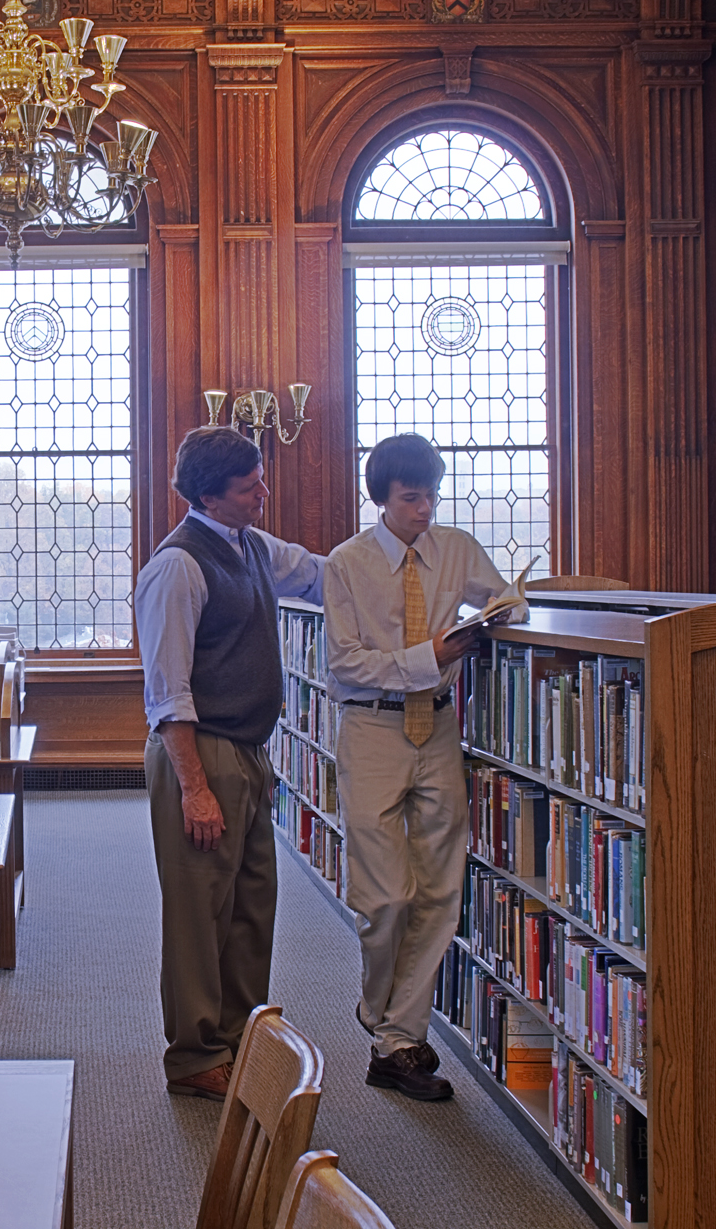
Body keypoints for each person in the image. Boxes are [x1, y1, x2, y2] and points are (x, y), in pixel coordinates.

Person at [321, 431, 520, 1100]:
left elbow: (505, 599)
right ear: (382, 498)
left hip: (437, 728)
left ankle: (397, 1039)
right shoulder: (346, 563)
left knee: (439, 891)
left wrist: (500, 613)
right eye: (411, 497)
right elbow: (346, 662)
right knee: (385, 896)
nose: (425, 508)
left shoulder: (456, 548)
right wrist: (429, 654)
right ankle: (381, 1010)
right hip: (372, 727)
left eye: (432, 493)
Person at [137, 424, 323, 1098]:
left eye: (260, 481)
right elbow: (168, 692)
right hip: (199, 752)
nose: (263, 494)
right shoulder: (177, 567)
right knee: (200, 909)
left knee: (251, 901)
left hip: (247, 751)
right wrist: (195, 788)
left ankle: (241, 1037)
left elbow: (322, 575)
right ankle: (194, 1056)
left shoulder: (252, 546)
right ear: (209, 496)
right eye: (250, 488)